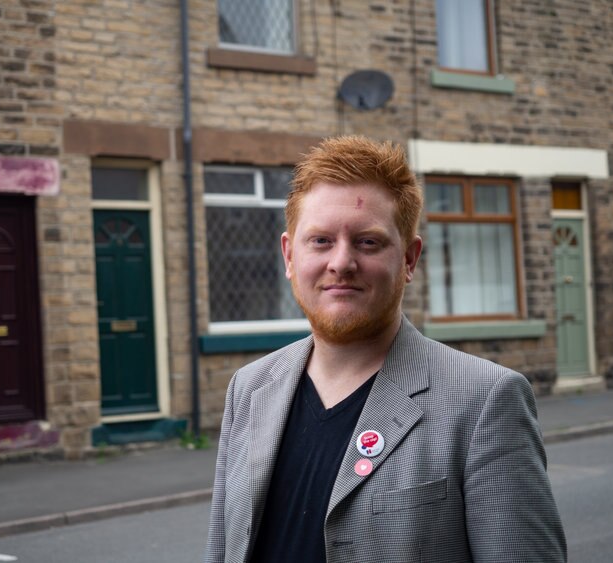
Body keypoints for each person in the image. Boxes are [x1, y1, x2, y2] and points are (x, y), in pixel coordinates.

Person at [205, 136, 567, 563]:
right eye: (320, 241)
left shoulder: (485, 400)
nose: (341, 262)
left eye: (368, 242)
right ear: (289, 255)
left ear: (410, 259)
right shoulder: (248, 389)